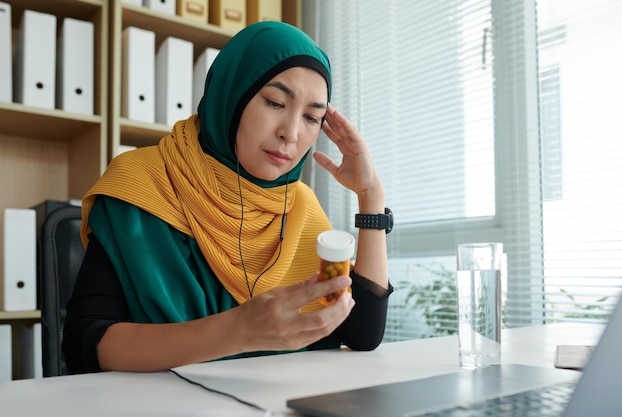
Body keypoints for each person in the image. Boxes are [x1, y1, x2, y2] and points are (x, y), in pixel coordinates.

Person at [62, 21, 392, 374]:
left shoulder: (300, 207)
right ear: (231, 93)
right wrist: (238, 331)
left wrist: (370, 196)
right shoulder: (143, 182)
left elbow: (361, 333)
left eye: (312, 117)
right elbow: (85, 344)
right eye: (275, 102)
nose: (291, 133)